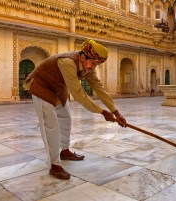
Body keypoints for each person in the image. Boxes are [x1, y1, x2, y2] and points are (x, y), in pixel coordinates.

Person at [23, 38, 126, 180]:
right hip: (42, 86)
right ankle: (54, 165)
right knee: (50, 127)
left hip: (58, 88)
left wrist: (116, 112)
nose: (93, 67)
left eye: (96, 64)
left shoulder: (86, 67)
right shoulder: (67, 62)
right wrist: (103, 112)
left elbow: (98, 87)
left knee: (66, 118)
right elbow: (78, 93)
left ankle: (64, 151)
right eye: (93, 63)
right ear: (83, 57)